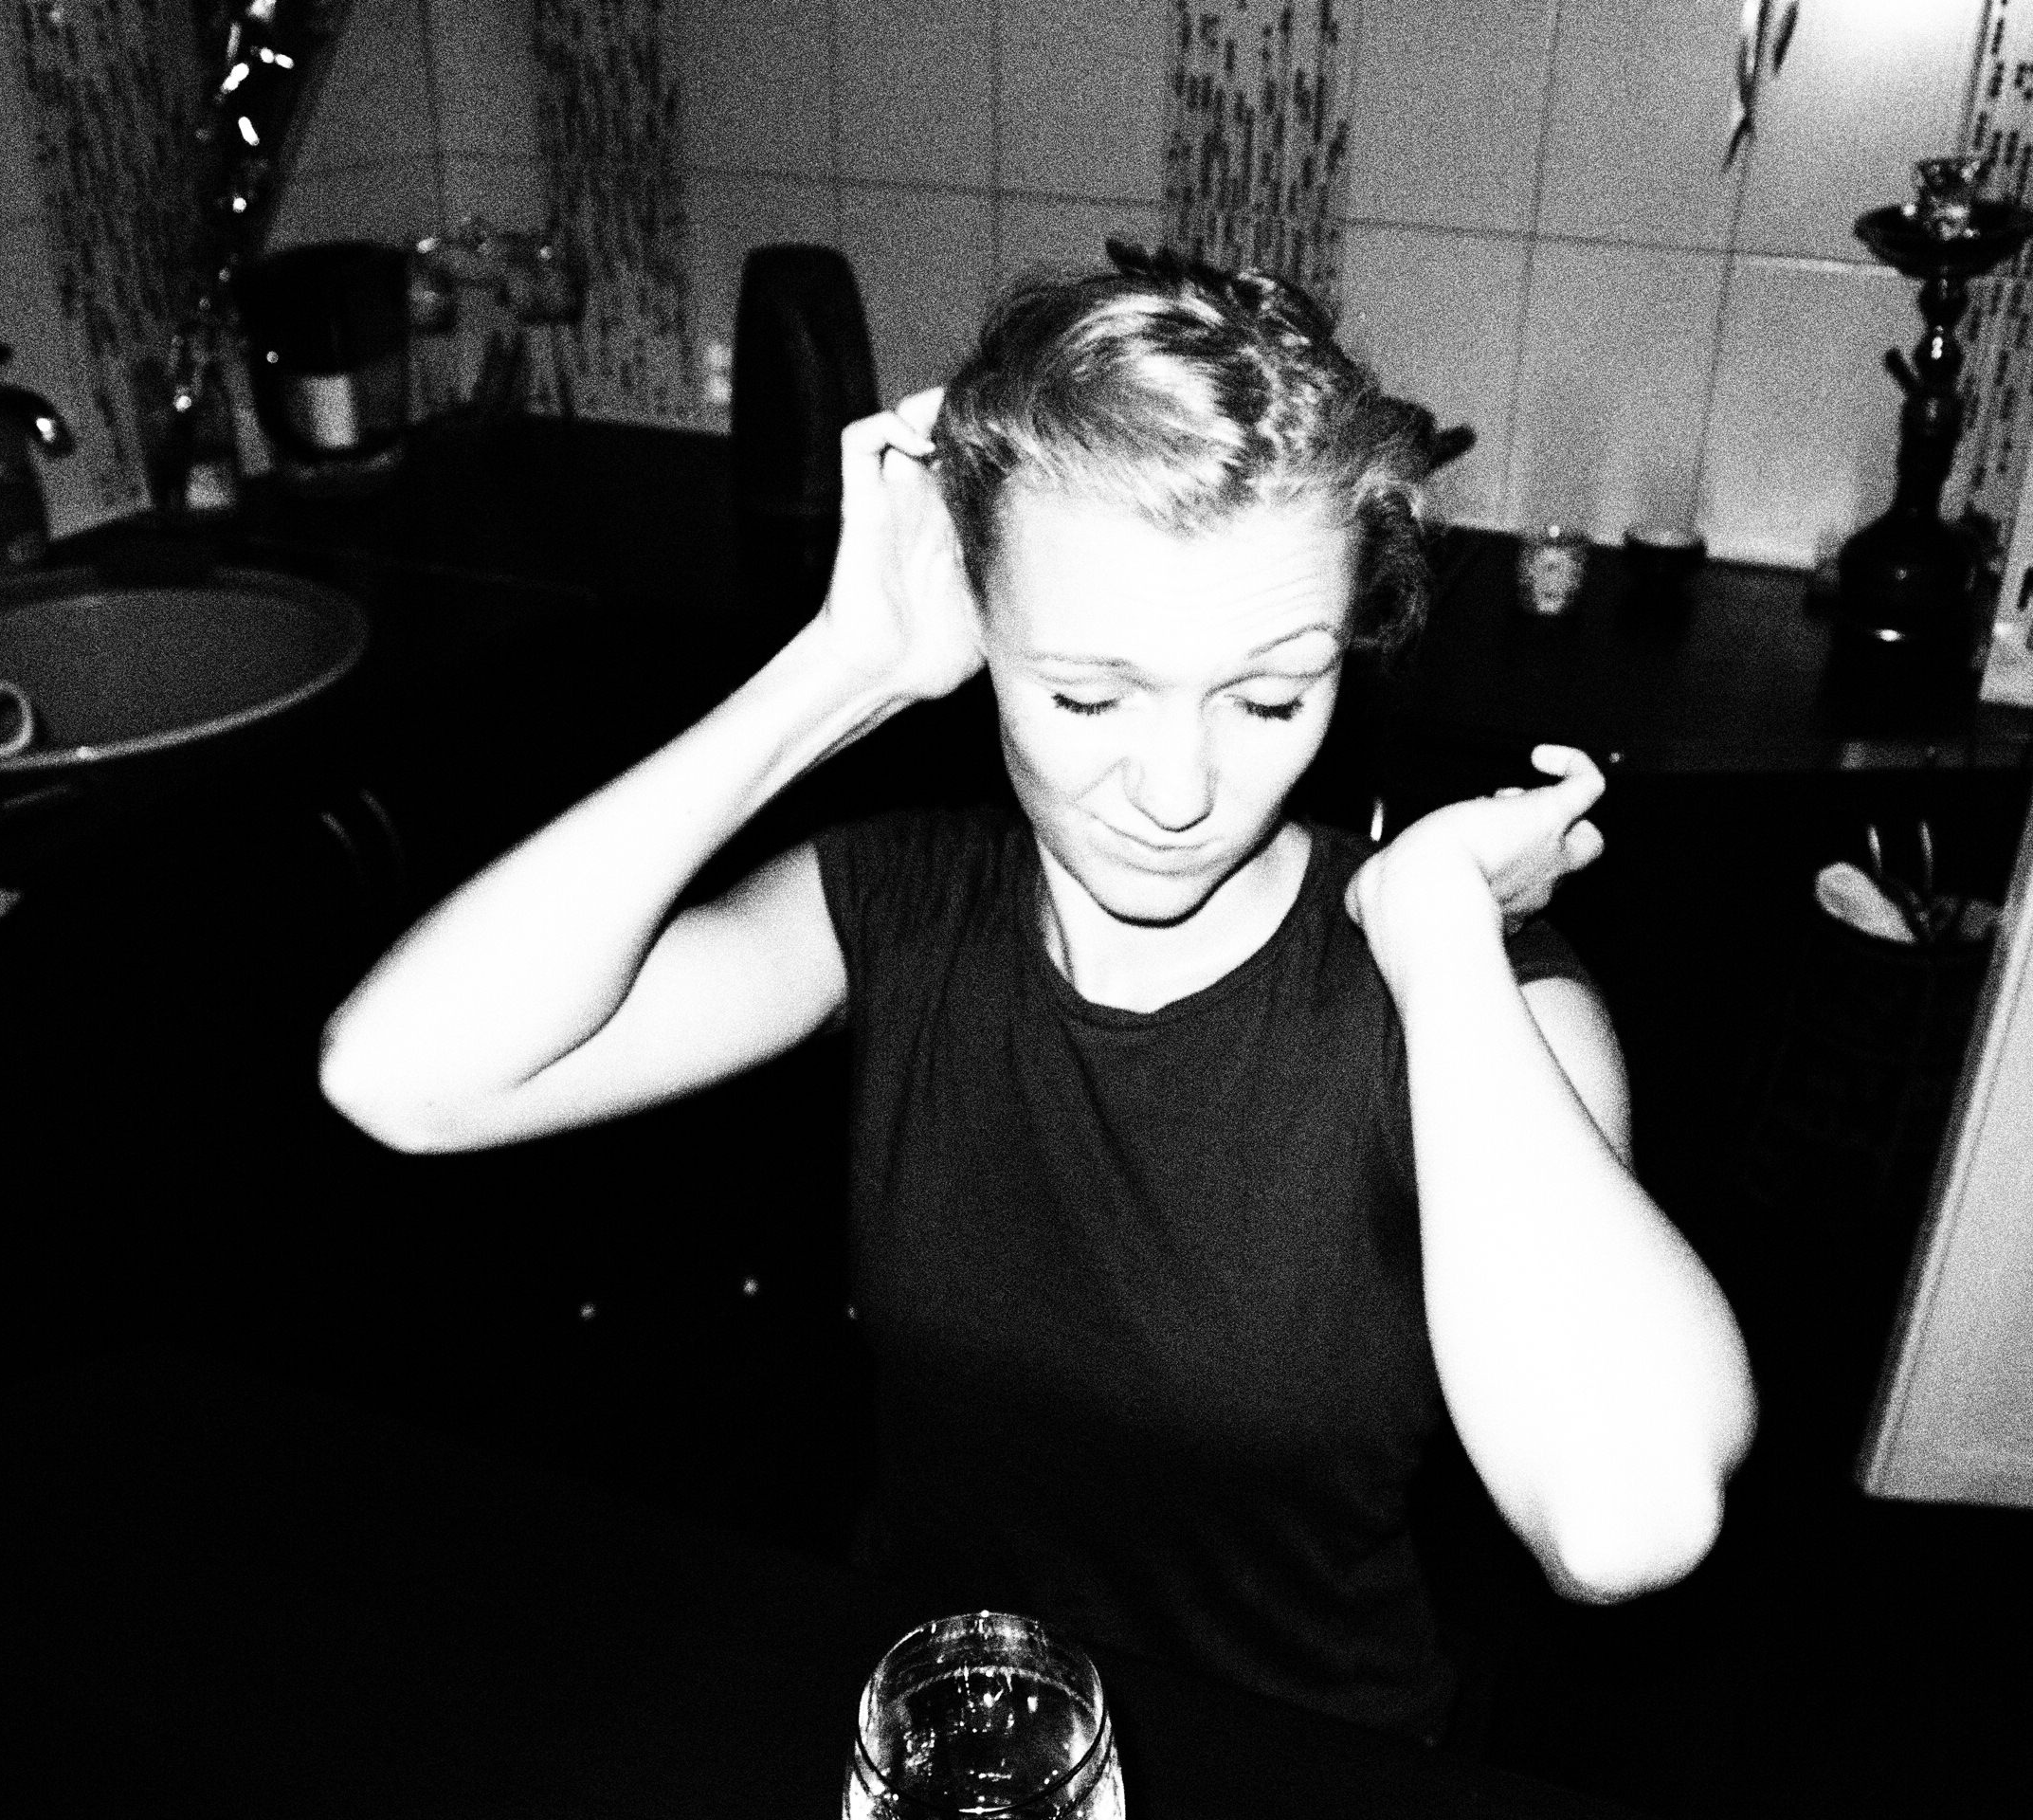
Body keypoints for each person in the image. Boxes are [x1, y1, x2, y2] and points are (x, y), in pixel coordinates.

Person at [320, 244, 1756, 1741]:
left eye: (1273, 696)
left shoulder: (1479, 999)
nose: (1180, 789)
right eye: (1087, 693)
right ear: (981, 628)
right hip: (948, 1734)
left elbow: (1622, 1523)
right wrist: (844, 671)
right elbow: (399, 1079)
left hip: (1294, 1768)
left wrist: (1439, 927)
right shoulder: (895, 906)